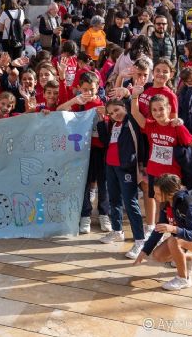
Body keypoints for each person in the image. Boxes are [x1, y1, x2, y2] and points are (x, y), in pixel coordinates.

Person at [131, 90, 192, 242]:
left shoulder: (177, 127)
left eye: (161, 108)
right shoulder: (150, 126)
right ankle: (159, 234)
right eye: (154, 110)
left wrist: (181, 157)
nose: (158, 112)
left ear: (169, 109)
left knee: (174, 208)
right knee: (158, 204)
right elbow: (135, 113)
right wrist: (135, 95)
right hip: (155, 173)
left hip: (172, 178)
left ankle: (178, 240)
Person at [134, 174, 192, 291]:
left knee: (173, 241)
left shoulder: (187, 203)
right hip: (183, 237)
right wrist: (144, 252)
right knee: (158, 256)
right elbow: (158, 230)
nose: (155, 196)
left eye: (158, 193)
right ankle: (191, 257)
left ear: (169, 193)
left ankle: (183, 279)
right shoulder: (165, 204)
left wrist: (173, 229)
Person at [58, 72, 110, 234]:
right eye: (85, 89)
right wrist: (75, 100)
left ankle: (104, 214)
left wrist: (106, 116)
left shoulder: (103, 103)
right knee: (85, 184)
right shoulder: (78, 104)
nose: (88, 93)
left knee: (104, 184)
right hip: (83, 151)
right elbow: (59, 111)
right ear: (79, 88)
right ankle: (85, 215)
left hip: (102, 149)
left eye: (92, 89)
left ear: (98, 88)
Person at [97, 99, 145, 259]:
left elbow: (140, 143)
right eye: (110, 113)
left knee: (130, 203)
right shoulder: (113, 124)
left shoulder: (131, 121)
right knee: (114, 200)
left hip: (126, 168)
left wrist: (132, 94)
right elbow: (105, 142)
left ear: (125, 107)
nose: (114, 115)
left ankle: (140, 240)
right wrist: (101, 120)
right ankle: (117, 231)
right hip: (111, 167)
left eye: (117, 110)